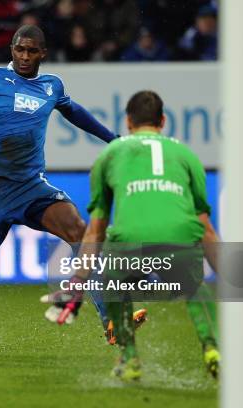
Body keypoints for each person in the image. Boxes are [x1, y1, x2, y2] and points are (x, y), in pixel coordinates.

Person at [0, 25, 145, 336]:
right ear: (11, 50)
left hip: (31, 187)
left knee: (79, 232)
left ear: (43, 52)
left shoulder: (51, 86)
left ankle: (110, 320)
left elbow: (75, 112)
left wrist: (113, 140)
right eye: (19, 50)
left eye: (31, 51)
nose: (24, 57)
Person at [72, 90, 220, 381]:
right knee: (193, 287)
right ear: (163, 121)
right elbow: (206, 227)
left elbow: (96, 229)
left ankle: (129, 358)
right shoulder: (187, 154)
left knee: (113, 282)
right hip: (179, 236)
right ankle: (212, 348)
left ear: (127, 122)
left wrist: (78, 278)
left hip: (130, 239)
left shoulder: (110, 154)